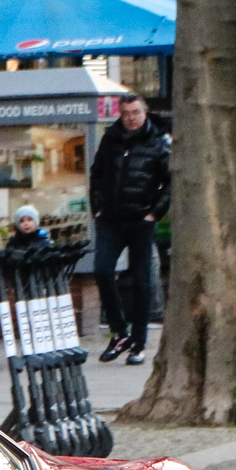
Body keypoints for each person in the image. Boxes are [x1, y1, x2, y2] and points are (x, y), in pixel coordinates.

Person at [89, 94, 170, 366]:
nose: (130, 117)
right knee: (102, 270)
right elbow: (97, 174)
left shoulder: (157, 143)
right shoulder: (110, 139)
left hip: (140, 220)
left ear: (144, 113)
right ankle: (119, 332)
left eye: (135, 112)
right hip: (110, 220)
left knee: (141, 281)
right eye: (125, 113)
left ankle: (139, 343)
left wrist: (153, 214)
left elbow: (170, 182)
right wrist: (97, 209)